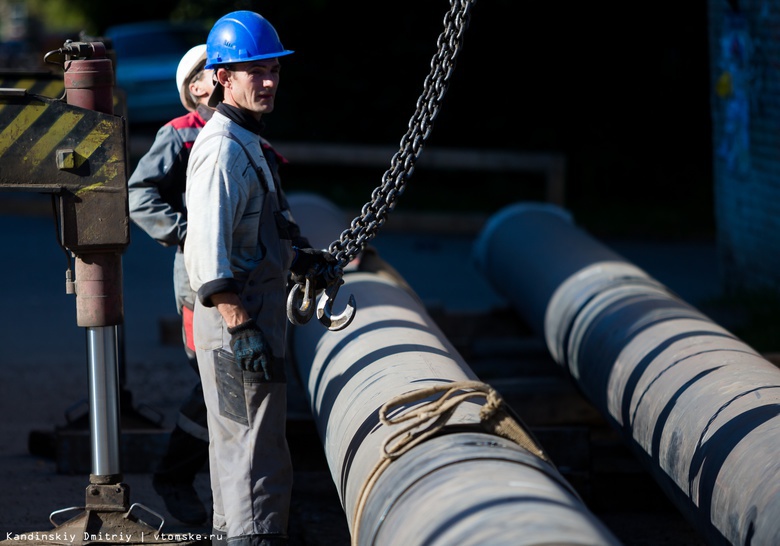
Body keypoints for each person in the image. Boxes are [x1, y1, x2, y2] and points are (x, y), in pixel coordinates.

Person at [183, 11, 336, 543]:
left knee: (242, 446)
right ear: (223, 78)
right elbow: (205, 251)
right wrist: (240, 325)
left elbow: (254, 234)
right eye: (255, 72)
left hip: (249, 319)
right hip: (236, 327)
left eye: (273, 70)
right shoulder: (223, 150)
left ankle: (234, 535)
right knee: (253, 451)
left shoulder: (245, 139)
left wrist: (300, 260)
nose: (268, 82)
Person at [127, 43, 216, 525]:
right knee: (211, 387)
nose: (222, 75)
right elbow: (139, 195)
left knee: (239, 388)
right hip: (199, 284)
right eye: (211, 71)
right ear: (194, 90)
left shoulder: (249, 138)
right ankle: (175, 476)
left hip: (248, 283)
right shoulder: (180, 136)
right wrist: (186, 233)